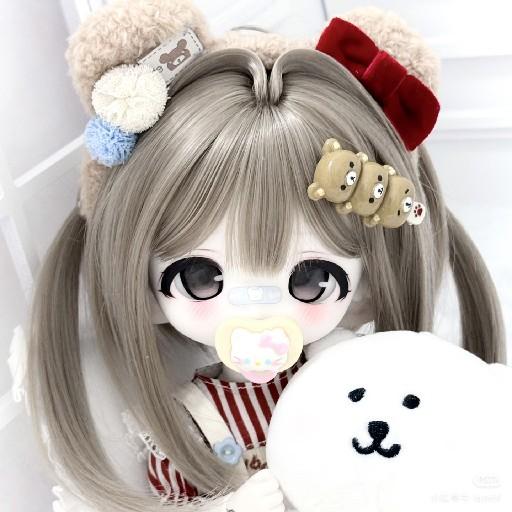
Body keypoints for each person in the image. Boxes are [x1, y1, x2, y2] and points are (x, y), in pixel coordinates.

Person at [25, 1, 505, 511]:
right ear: (139, 283)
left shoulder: (371, 382)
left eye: (312, 279)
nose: (256, 311)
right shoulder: (188, 423)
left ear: (365, 285)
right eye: (200, 276)